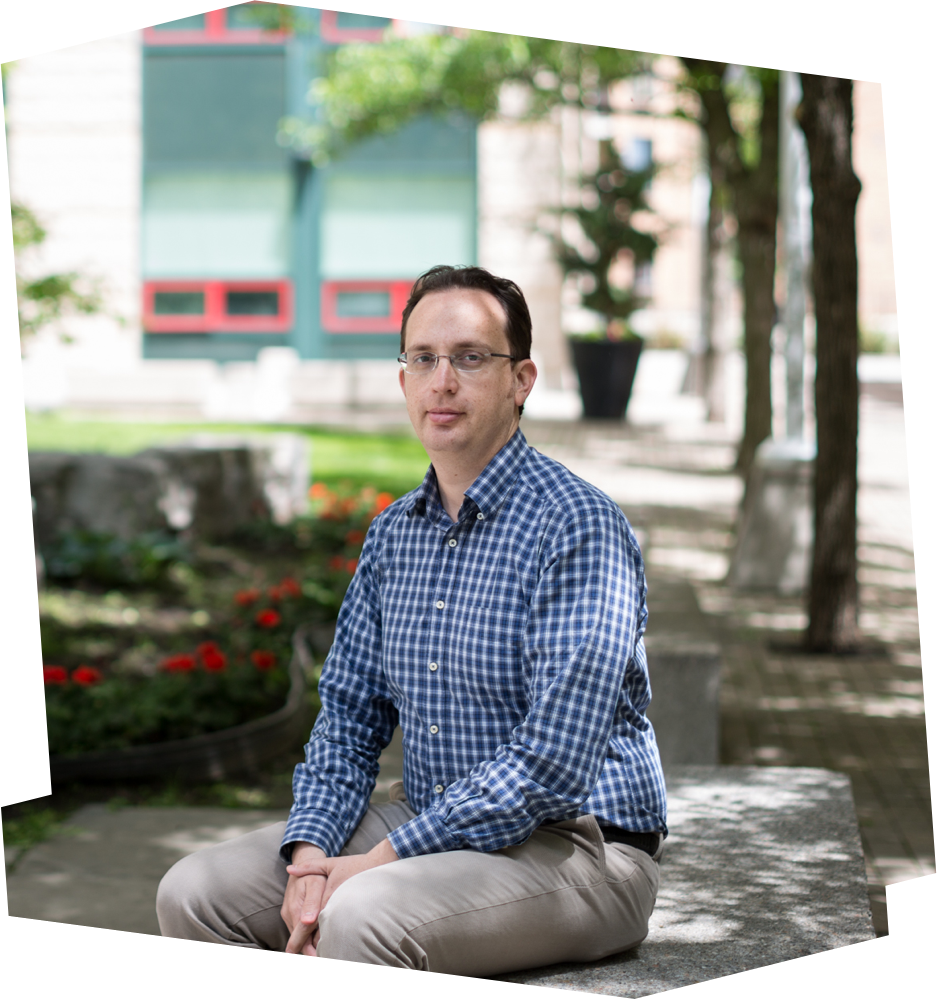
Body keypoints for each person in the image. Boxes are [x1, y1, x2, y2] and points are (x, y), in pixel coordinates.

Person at [156, 265, 667, 976]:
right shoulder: (394, 532)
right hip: (425, 820)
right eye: (422, 359)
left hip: (577, 844)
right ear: (403, 381)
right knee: (194, 893)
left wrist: (372, 863)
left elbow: (550, 761)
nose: (441, 381)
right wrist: (309, 859)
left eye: (468, 357)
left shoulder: (578, 526)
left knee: (362, 913)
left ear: (520, 380)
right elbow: (347, 717)